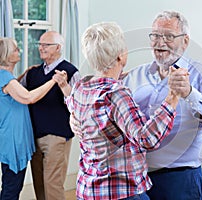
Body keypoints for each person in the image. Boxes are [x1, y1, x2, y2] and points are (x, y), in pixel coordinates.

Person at [67, 22, 184, 200]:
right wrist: (172, 98)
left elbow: (78, 108)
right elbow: (146, 138)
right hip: (120, 191)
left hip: (88, 189)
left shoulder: (80, 88)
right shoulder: (116, 94)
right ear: (121, 56)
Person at [121, 11, 202, 200]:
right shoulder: (134, 76)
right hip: (135, 177)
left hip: (181, 179)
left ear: (185, 41)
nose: (160, 42)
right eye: (155, 35)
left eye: (169, 36)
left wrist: (190, 93)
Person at [20, 31, 80, 200]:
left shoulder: (71, 72)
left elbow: (79, 103)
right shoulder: (32, 73)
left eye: (46, 45)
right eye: (39, 44)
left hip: (57, 136)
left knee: (52, 184)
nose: (41, 48)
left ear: (58, 47)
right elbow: (18, 94)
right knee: (39, 184)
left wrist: (63, 85)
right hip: (34, 136)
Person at [0, 37, 59, 199]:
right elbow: (28, 98)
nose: (18, 51)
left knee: (11, 184)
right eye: (14, 49)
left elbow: (10, 92)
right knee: (12, 188)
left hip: (12, 138)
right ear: (6, 55)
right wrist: (53, 80)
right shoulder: (5, 77)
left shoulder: (7, 78)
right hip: (13, 141)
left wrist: (23, 75)